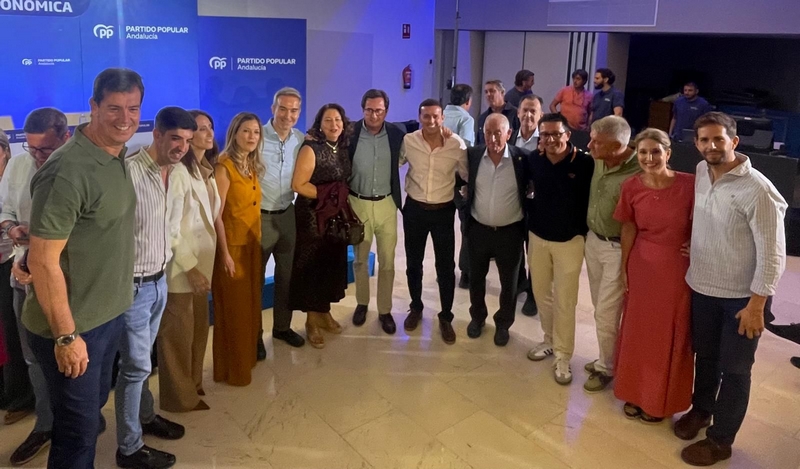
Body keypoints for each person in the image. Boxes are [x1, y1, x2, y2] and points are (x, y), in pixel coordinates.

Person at [23, 68, 140, 468]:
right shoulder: (67, 171)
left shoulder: (115, 153)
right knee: (77, 434)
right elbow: (42, 261)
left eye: (133, 108)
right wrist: (67, 337)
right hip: (73, 326)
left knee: (89, 418)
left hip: (107, 317)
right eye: (114, 108)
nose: (125, 118)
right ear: (93, 107)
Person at [676, 112, 787, 467]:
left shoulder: (758, 189)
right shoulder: (701, 171)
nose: (711, 146)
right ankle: (702, 409)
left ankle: (721, 440)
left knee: (736, 370)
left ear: (734, 142)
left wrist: (757, 304)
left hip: (742, 298)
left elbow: (773, 253)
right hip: (703, 287)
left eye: (718, 139)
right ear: (696, 144)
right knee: (706, 357)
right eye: (704, 140)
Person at [115, 106, 196, 469]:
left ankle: (145, 417)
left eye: (187, 140)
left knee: (143, 362)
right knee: (134, 367)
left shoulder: (177, 173)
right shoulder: (129, 171)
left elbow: (172, 228)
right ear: (158, 134)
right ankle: (129, 448)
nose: (182, 147)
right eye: (176, 138)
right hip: (131, 286)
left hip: (159, 280)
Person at [0, 108, 69, 465]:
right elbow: (4, 210)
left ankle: (77, 421)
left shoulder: (76, 169)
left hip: (66, 282)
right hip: (22, 276)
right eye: (32, 148)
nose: (38, 156)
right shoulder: (17, 165)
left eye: (45, 149)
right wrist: (12, 229)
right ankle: (45, 424)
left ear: (65, 138)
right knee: (33, 359)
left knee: (71, 357)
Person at [612, 128, 694, 424]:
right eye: (643, 152)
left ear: (668, 153)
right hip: (641, 265)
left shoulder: (690, 184)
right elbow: (628, 227)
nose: (649, 158)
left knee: (667, 333)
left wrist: (695, 243)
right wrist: (624, 266)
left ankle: (661, 399)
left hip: (676, 268)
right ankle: (634, 392)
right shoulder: (630, 186)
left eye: (655, 152)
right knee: (638, 331)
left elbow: (707, 220)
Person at [157, 109, 220, 413]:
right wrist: (191, 268)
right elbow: (171, 229)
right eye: (201, 128)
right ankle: (178, 398)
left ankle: (194, 384)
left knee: (197, 330)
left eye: (210, 127)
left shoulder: (204, 169)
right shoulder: (179, 173)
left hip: (201, 266)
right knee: (177, 336)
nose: (208, 133)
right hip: (183, 268)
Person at [525, 113, 594, 385]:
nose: (551, 139)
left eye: (556, 133)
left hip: (570, 242)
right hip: (538, 237)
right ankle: (549, 340)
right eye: (545, 134)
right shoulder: (534, 159)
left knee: (565, 301)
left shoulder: (585, 163)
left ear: (568, 134)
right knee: (541, 294)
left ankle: (563, 355)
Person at [401, 99, 468, 344]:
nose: (431, 121)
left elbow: (467, 174)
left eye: (435, 116)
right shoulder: (409, 141)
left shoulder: (456, 144)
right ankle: (416, 307)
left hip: (443, 212)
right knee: (413, 263)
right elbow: (393, 162)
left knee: (445, 266)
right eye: (426, 116)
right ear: (420, 117)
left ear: (442, 118)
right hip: (415, 210)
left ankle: (446, 316)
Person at [582, 116, 641, 393]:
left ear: (617, 146)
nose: (589, 145)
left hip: (618, 249)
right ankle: (609, 358)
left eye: (597, 142)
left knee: (606, 314)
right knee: (600, 309)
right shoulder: (597, 160)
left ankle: (606, 367)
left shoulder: (640, 169)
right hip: (593, 241)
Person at [289, 104, 352, 349]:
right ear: (320, 124)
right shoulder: (311, 148)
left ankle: (324, 313)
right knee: (313, 267)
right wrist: (331, 196)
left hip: (335, 217)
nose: (333, 125)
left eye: (337, 120)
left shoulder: (342, 147)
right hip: (312, 216)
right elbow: (298, 184)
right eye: (328, 120)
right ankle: (311, 322)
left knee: (330, 265)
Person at [464, 114, 527, 346]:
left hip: (510, 232)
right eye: (487, 133)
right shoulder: (472, 155)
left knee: (509, 283)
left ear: (508, 134)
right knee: (476, 278)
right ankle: (477, 317)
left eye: (497, 133)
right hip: (478, 229)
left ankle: (503, 324)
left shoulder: (522, 158)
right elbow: (458, 181)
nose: (492, 138)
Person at [212, 112, 264, 386]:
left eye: (256, 132)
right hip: (232, 248)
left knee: (250, 308)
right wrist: (224, 254)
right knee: (235, 312)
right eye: (246, 131)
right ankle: (233, 370)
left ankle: (247, 361)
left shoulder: (250, 164)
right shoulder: (224, 167)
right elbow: (217, 216)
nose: (251, 136)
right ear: (235, 133)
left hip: (252, 246)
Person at [349, 90, 406, 335]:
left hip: (386, 204)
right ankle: (362, 303)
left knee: (387, 262)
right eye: (369, 110)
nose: (374, 115)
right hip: (357, 203)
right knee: (360, 260)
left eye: (379, 111)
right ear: (362, 109)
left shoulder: (396, 134)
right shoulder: (350, 132)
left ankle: (385, 310)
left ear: (386, 111)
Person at [258, 87, 306, 350]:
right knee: (255, 282)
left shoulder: (300, 139)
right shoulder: (256, 136)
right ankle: (254, 335)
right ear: (273, 109)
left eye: (294, 110)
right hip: (260, 217)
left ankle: (282, 327)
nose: (288, 115)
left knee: (286, 276)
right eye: (283, 109)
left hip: (288, 215)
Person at [509, 94, 543, 316]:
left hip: (538, 206)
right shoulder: (510, 137)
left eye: (533, 111)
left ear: (540, 115)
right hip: (513, 201)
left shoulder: (546, 140)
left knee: (535, 252)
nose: (528, 115)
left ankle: (533, 293)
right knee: (514, 247)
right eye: (525, 110)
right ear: (518, 112)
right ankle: (520, 282)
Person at [443, 84, 475, 290]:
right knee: (466, 226)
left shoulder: (440, 115)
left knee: (444, 227)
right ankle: (466, 273)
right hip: (459, 178)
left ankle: (444, 271)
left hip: (441, 177)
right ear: (468, 102)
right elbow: (466, 148)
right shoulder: (467, 119)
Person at [476, 80, 520, 145]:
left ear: (502, 92)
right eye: (486, 92)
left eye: (492, 91)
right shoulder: (482, 118)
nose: (488, 94)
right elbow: (479, 143)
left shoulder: (516, 114)